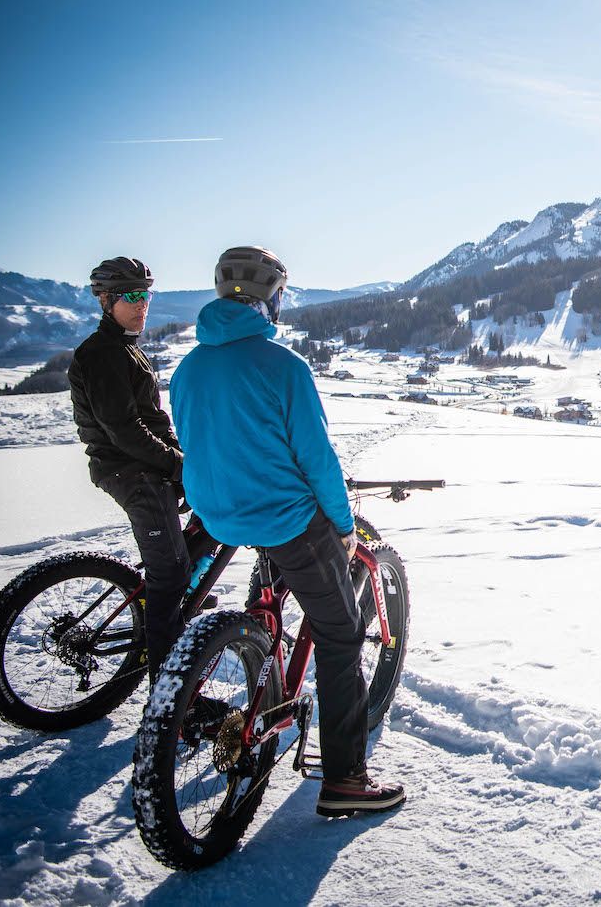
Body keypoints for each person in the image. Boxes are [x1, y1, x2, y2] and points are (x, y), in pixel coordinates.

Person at [169, 246, 403, 818]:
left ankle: (260, 652)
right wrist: (345, 529)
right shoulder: (284, 366)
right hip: (288, 521)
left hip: (219, 517)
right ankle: (345, 779)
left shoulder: (187, 367)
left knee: (271, 588)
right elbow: (318, 460)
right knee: (342, 635)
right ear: (271, 298)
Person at [68, 257, 190, 682]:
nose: (142, 305)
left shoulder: (124, 348)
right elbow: (125, 431)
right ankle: (169, 692)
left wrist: (184, 459)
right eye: (132, 296)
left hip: (142, 465)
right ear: (106, 301)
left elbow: (150, 418)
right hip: (130, 472)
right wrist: (176, 465)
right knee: (170, 574)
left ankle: (171, 604)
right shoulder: (103, 354)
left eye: (147, 295)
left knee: (181, 554)